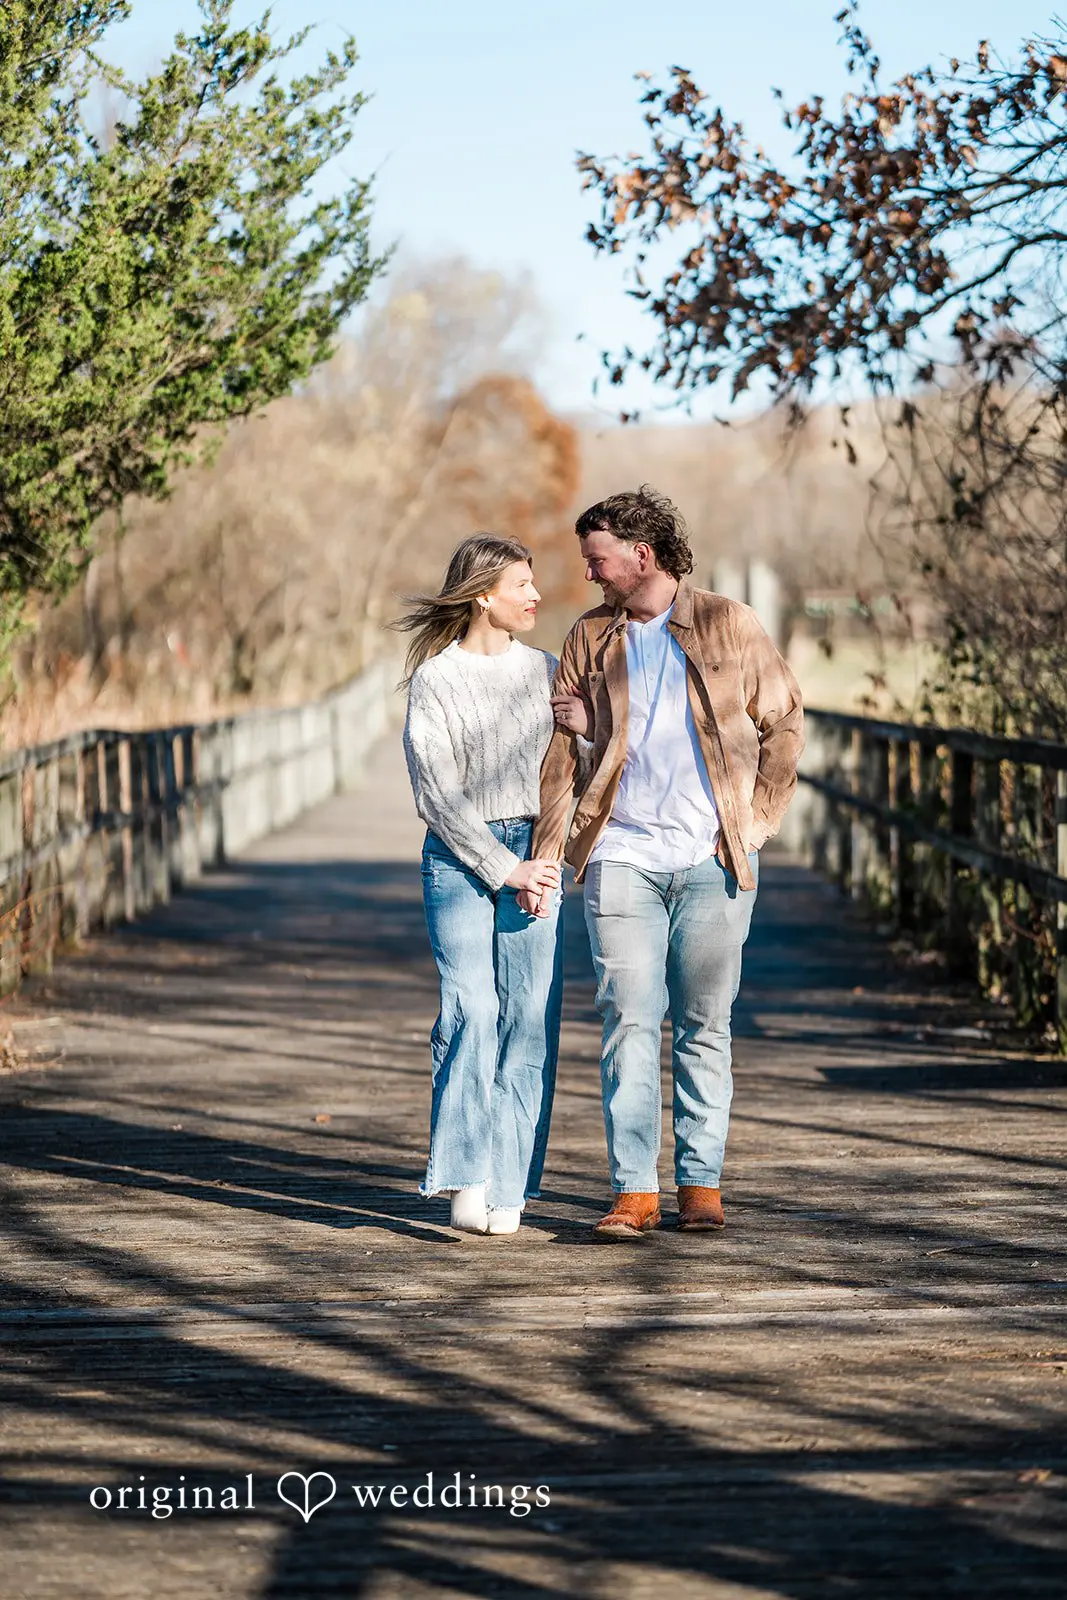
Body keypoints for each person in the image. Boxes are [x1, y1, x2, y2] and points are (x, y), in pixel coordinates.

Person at [529, 487, 804, 1240]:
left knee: (703, 1022)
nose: (587, 573)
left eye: (596, 558)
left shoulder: (725, 623)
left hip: (711, 857)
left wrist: (755, 823)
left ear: (639, 555)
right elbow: (561, 757)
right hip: (621, 853)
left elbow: (783, 723)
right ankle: (632, 1190)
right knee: (626, 1016)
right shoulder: (589, 636)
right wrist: (548, 856)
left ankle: (699, 1183)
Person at [397, 535, 564, 1237]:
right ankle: (466, 1172)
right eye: (521, 585)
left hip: (538, 851)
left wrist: (545, 859)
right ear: (482, 595)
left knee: (527, 1018)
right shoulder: (437, 680)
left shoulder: (549, 672)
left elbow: (571, 774)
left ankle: (508, 1179)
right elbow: (436, 793)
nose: (535, 596)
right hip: (460, 860)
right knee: (470, 1010)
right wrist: (505, 867)